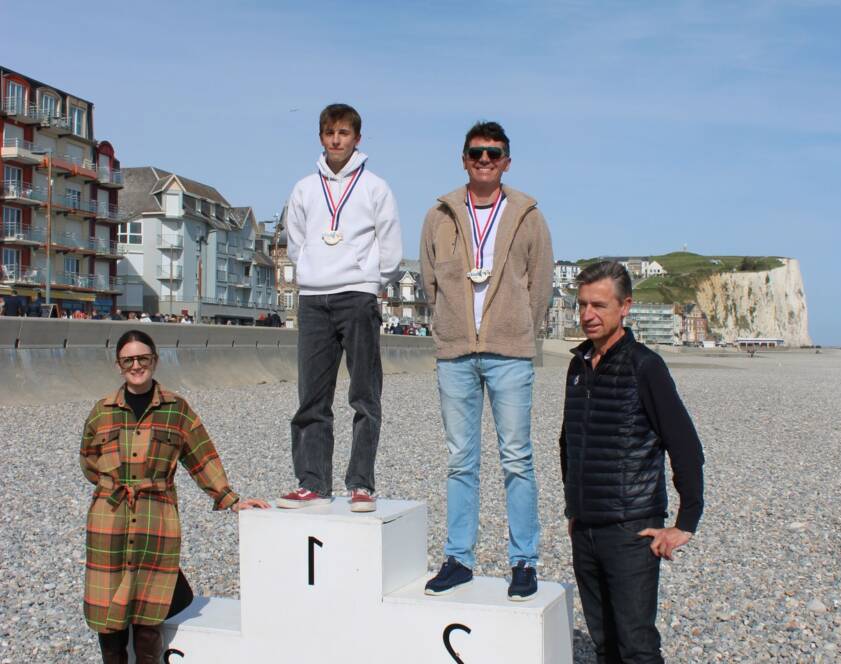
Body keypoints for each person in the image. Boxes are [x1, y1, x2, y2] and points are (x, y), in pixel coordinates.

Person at [420, 121, 553, 600]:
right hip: (456, 353)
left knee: (517, 459)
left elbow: (541, 284)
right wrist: (450, 326)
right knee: (461, 460)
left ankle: (524, 561)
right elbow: (428, 281)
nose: (484, 159)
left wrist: (519, 330)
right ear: (463, 159)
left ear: (506, 162)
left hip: (509, 353)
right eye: (476, 152)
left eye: (493, 153)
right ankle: (459, 557)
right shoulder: (440, 214)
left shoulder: (527, 214)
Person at [80, 330, 269, 663]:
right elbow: (89, 462)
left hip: (157, 520)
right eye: (129, 360)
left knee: (150, 617)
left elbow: (201, 457)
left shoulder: (177, 410)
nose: (136, 365)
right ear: (118, 365)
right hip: (109, 521)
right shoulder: (102, 411)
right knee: (108, 618)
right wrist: (116, 487)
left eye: (143, 358)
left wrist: (230, 498)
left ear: (154, 360)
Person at [560, 261, 705, 663]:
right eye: (582, 304)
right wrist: (574, 508)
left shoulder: (646, 366)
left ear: (626, 306)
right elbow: (568, 439)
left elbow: (686, 445)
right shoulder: (577, 366)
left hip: (631, 529)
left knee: (637, 647)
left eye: (599, 305)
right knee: (604, 645)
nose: (588, 315)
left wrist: (686, 523)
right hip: (585, 529)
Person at [277, 103, 402, 514]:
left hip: (357, 295)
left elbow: (390, 244)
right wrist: (312, 270)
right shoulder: (303, 188)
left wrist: (370, 282)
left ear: (357, 139)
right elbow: (295, 241)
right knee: (311, 396)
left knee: (364, 394)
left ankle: (361, 483)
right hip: (314, 298)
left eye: (344, 133)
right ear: (320, 138)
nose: (336, 140)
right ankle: (312, 482)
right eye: (330, 132)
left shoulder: (375, 187)